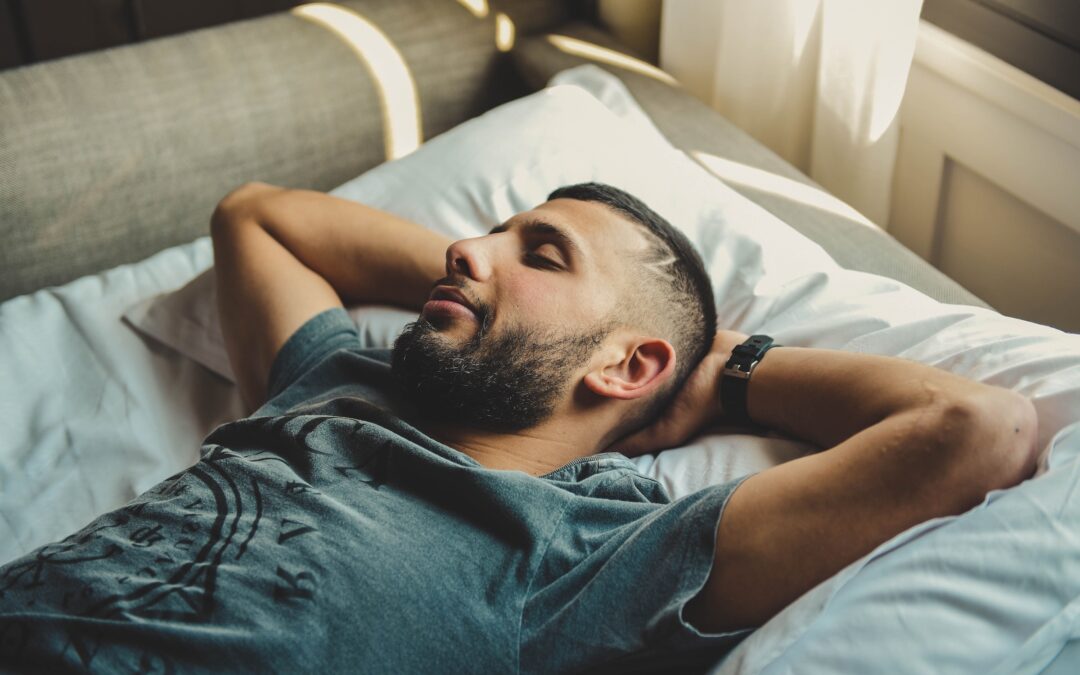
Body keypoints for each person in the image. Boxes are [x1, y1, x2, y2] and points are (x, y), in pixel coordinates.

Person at [0, 182, 1037, 673]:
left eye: (541, 253)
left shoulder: (600, 552)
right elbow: (257, 215)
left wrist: (729, 378)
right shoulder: (334, 379)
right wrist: (485, 283)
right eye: (490, 231)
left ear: (629, 365)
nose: (465, 246)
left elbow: (975, 425)